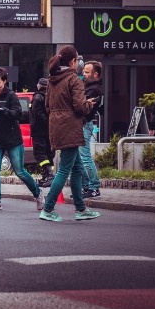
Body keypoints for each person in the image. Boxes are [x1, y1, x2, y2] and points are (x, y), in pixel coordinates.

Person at [40, 46, 100, 222]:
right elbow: (80, 107)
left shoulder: (52, 79)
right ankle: (48, 208)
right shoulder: (74, 79)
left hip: (56, 125)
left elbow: (47, 106)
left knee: (77, 168)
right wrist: (89, 103)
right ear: (73, 61)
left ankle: (81, 209)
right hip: (70, 127)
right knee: (65, 169)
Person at [0, 67, 44, 211]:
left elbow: (19, 114)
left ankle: (38, 194)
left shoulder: (11, 95)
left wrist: (3, 111)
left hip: (13, 139)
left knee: (20, 171)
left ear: (5, 81)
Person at [81, 61, 104, 198]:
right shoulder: (89, 87)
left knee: (85, 157)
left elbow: (83, 108)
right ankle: (86, 187)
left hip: (85, 124)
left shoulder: (94, 89)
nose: (84, 74)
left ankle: (94, 187)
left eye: (87, 72)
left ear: (95, 74)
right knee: (80, 157)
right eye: (83, 71)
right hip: (82, 125)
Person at [31, 78, 55, 187]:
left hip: (38, 131)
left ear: (38, 85)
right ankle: (47, 176)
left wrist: (46, 122)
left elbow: (37, 114)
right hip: (49, 130)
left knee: (40, 154)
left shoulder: (37, 97)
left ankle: (49, 175)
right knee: (48, 153)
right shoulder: (50, 96)